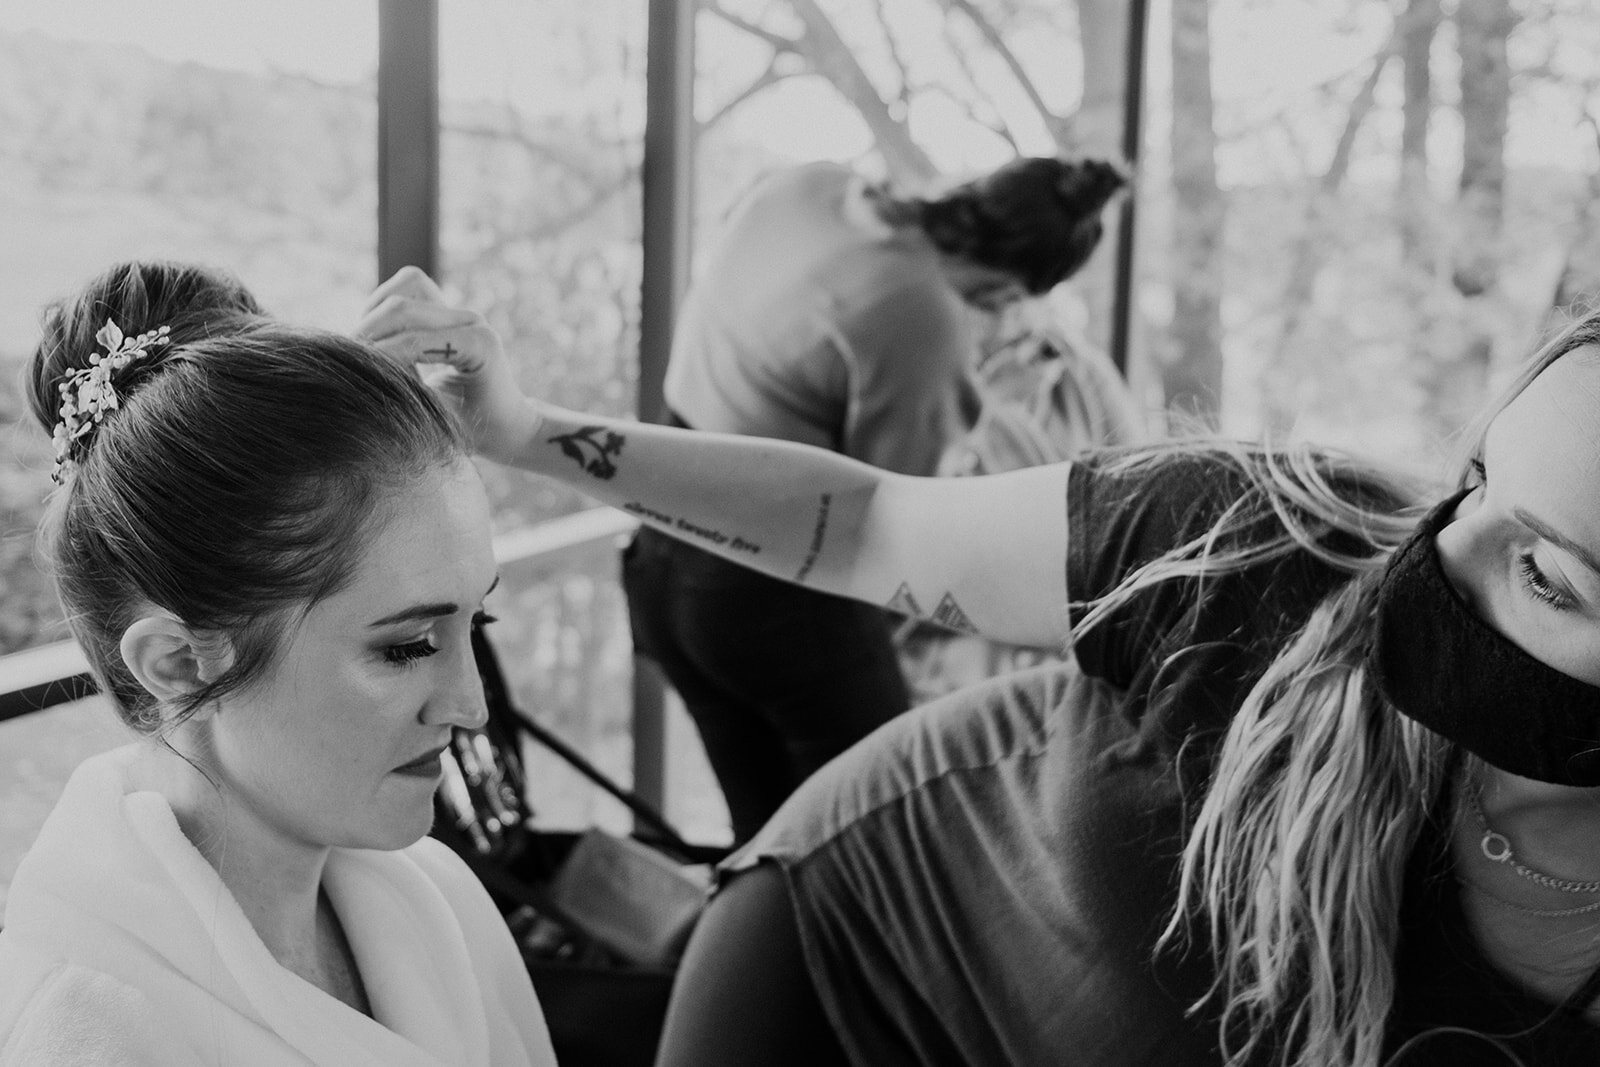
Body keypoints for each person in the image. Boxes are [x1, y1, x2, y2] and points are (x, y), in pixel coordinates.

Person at [362, 267, 1600, 1065]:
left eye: (1551, 577)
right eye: (1473, 482)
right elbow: (868, 525)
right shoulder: (1253, 550)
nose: (1434, 552)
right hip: (860, 975)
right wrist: (524, 435)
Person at [0, 262, 556, 1066]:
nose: (470, 705)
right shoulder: (92, 1035)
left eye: (480, 618)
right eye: (404, 647)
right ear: (180, 662)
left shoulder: (444, 901)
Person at [626, 154, 1131, 842]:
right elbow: (894, 531)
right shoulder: (923, 319)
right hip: (765, 596)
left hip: (661, 557)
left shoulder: (807, 186)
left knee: (765, 842)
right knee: (890, 837)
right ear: (1012, 289)